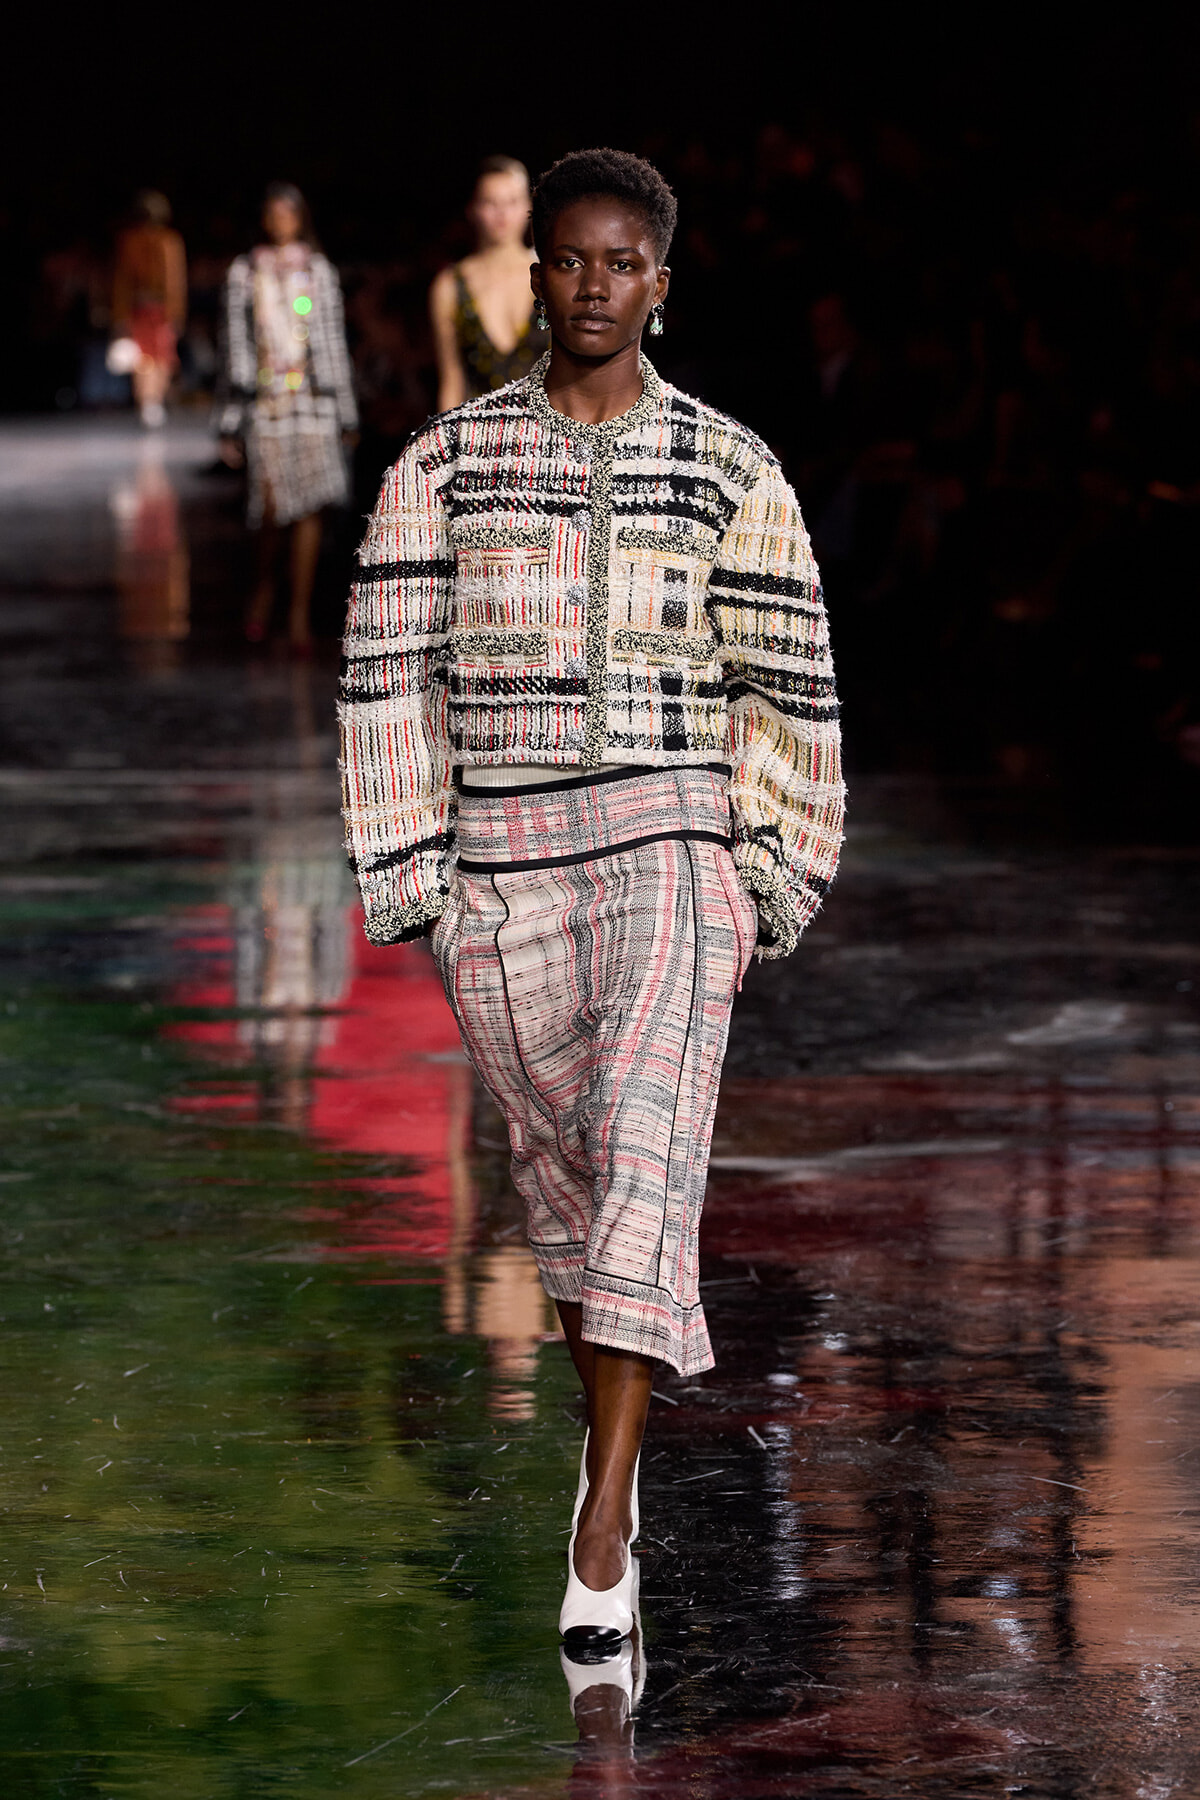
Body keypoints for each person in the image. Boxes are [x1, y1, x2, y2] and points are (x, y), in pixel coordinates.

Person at [340, 148, 844, 1656]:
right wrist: (416, 879)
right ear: (538, 272)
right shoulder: (443, 465)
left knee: (644, 1146)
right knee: (569, 1185)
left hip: (675, 847)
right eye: (570, 259)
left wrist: (768, 873)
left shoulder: (733, 467)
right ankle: (599, 1440)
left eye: (625, 263)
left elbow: (792, 681)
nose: (595, 285)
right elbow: (385, 679)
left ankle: (605, 1518)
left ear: (662, 287)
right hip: (503, 869)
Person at [217, 183, 358, 649]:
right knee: (273, 509)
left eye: (288, 213)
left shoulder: (317, 271)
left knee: (313, 506)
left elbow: (333, 340)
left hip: (314, 401)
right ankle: (265, 589)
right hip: (267, 401)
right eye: (272, 212)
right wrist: (229, 421)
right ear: (263, 218)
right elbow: (234, 344)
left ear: (300, 218)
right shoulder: (244, 271)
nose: (280, 221)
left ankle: (298, 613)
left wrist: (345, 411)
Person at [429, 156, 548, 411]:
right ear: (472, 209)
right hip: (476, 439)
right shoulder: (449, 286)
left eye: (512, 201)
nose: (502, 214)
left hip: (545, 436)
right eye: (490, 202)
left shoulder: (552, 274)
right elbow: (451, 380)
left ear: (528, 206)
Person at [111, 191, 187, 429]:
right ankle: (149, 404)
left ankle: (151, 403)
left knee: (158, 357)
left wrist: (175, 312)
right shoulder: (135, 241)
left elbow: (174, 280)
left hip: (156, 309)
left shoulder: (167, 241)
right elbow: (123, 282)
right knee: (148, 357)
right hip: (145, 309)